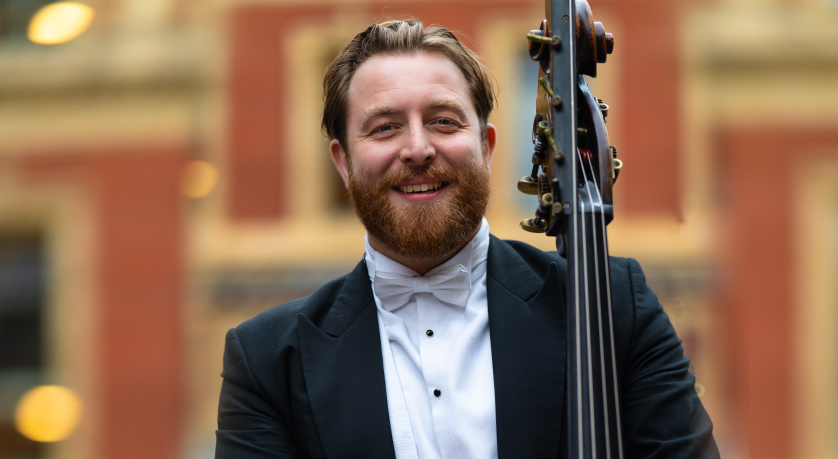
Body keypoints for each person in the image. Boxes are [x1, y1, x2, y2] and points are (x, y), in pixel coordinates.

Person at [215, 19, 719, 459]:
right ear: (342, 163)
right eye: (385, 127)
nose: (417, 148)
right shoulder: (266, 361)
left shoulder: (610, 306)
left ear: (486, 145)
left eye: (443, 121)